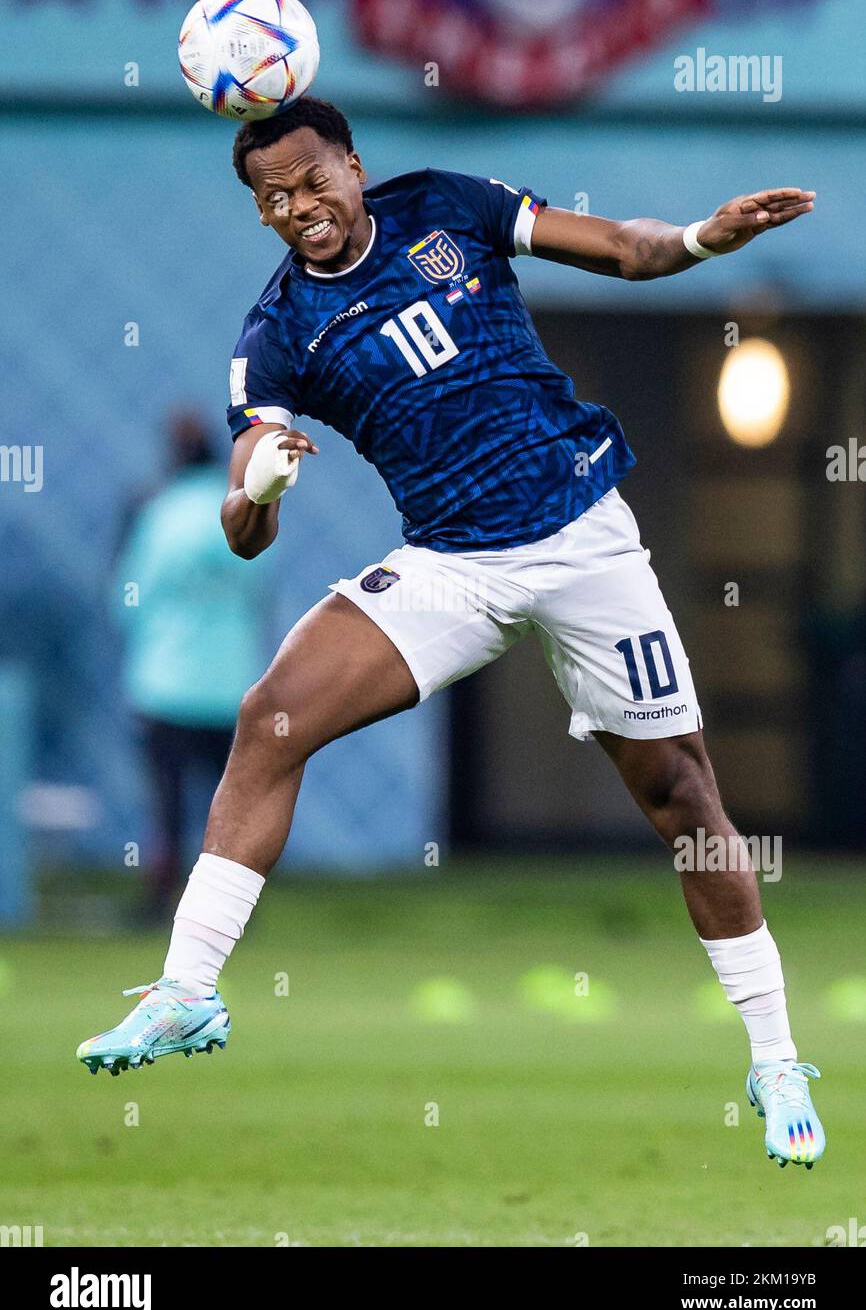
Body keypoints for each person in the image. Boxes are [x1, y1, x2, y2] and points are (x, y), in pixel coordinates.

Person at [79, 99, 823, 1168]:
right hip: (451, 566)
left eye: (311, 179)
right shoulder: (275, 332)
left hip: (580, 536)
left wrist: (705, 238)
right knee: (272, 715)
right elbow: (243, 527)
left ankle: (774, 1056)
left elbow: (618, 247)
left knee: (683, 797)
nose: (300, 208)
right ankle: (187, 991)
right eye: (273, 199)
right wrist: (266, 482)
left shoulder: (443, 207)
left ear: (353, 162)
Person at [114, 411, 269, 917]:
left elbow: (127, 599)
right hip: (232, 683)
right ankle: (236, 904)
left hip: (167, 682)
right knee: (233, 802)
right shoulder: (245, 509)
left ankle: (163, 898)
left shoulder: (159, 513)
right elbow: (261, 590)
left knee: (169, 806)